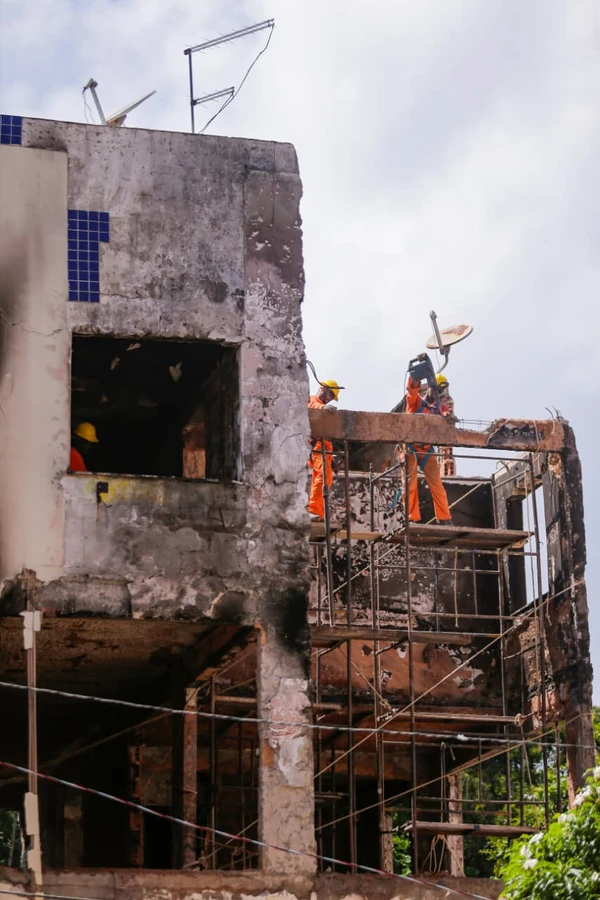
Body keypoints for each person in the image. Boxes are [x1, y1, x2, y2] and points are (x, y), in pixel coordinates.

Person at [405, 374, 452, 524]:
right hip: (410, 449)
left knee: (437, 486)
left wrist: (448, 418)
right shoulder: (417, 401)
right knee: (409, 484)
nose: (439, 395)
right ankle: (412, 518)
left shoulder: (439, 408)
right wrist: (415, 376)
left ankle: (444, 518)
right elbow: (411, 391)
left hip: (426, 451)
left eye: (442, 392)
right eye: (437, 390)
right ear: (431, 388)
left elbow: (446, 414)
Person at [307, 380, 340, 520]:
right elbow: (312, 406)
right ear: (323, 388)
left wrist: (332, 460)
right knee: (323, 475)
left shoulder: (322, 408)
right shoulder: (311, 400)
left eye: (332, 397)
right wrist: (323, 409)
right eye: (330, 394)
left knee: (324, 478)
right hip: (317, 446)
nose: (329, 399)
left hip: (324, 447)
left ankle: (317, 512)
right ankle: (313, 509)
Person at [435, 373, 456, 478]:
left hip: (446, 434)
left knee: (446, 457)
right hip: (442, 435)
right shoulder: (436, 401)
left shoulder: (446, 400)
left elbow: (447, 413)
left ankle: (447, 476)